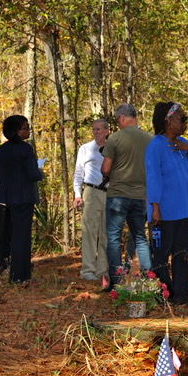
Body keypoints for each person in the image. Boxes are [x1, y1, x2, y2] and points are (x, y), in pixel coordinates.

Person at [145, 102, 188, 307]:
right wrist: (155, 207)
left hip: (184, 210)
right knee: (161, 255)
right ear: (168, 120)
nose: (185, 122)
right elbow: (153, 177)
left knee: (181, 254)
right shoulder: (156, 145)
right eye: (181, 118)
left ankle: (181, 295)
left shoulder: (182, 143)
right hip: (165, 211)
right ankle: (163, 294)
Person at [101, 103, 152, 287]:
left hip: (118, 194)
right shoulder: (150, 139)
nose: (118, 123)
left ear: (122, 117)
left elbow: (105, 169)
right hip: (140, 195)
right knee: (140, 237)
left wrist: (110, 173)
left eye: (117, 120)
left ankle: (116, 281)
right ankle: (148, 279)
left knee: (114, 238)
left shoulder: (115, 138)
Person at [0, 115, 43, 285]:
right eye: (25, 128)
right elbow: (32, 174)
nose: (28, 131)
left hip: (9, 196)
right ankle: (19, 275)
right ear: (16, 131)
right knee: (22, 235)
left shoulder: (1, 150)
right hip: (24, 196)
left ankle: (19, 273)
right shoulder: (25, 149)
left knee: (15, 234)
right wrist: (40, 171)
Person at [73, 119, 110, 282]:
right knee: (89, 231)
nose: (96, 132)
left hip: (110, 193)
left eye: (99, 129)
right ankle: (88, 269)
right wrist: (77, 194)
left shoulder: (113, 148)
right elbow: (78, 173)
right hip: (91, 191)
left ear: (107, 131)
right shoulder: (85, 149)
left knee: (106, 232)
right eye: (94, 129)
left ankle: (103, 270)